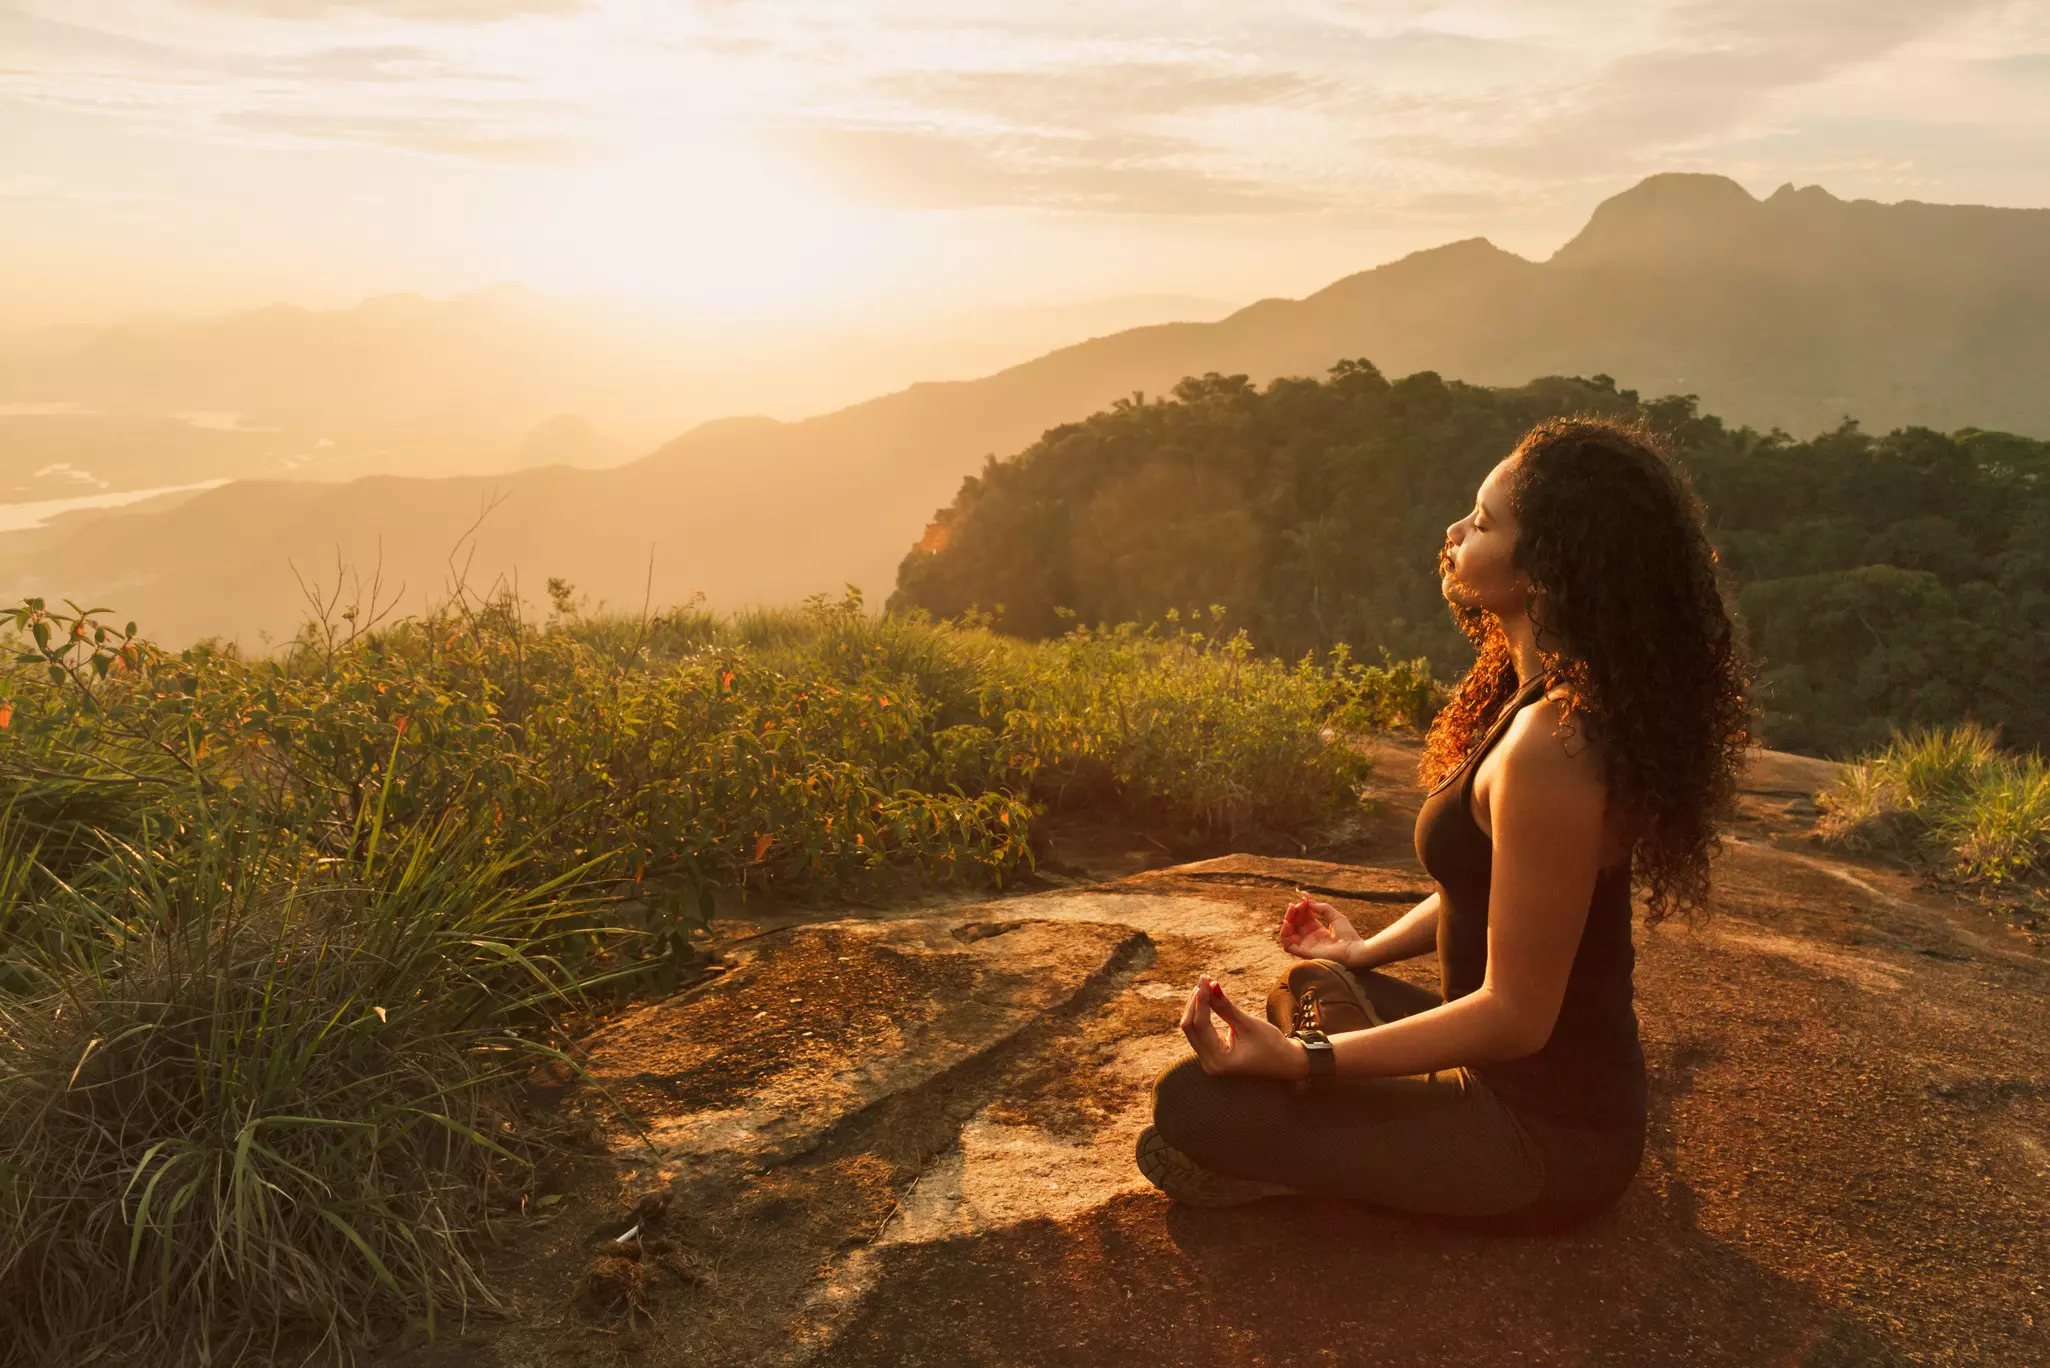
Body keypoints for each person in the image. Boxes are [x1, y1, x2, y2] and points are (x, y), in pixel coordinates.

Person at [1136, 415, 1751, 1229]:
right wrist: (1365, 948)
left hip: (1543, 1140)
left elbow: (1515, 1017)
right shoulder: (1532, 698)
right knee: (1314, 980)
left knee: (1195, 1108)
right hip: (1492, 1082)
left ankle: (1336, 1161)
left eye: (1485, 522)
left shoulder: (1555, 746)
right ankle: (1355, 1135)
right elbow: (1497, 885)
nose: (1456, 531)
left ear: (1546, 568)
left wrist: (1301, 1060)